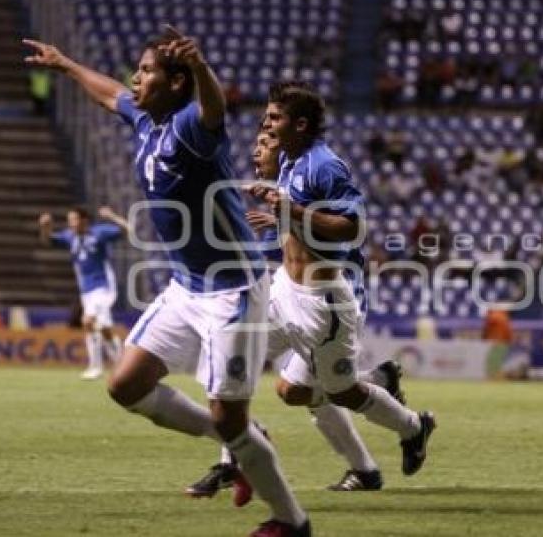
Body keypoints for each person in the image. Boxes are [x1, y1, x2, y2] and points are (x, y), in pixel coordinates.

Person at [24, 27, 310, 537]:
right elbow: (110, 93)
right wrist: (65, 64)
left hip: (233, 288)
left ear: (176, 82)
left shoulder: (190, 127)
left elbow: (213, 109)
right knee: (126, 384)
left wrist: (201, 68)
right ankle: (246, 438)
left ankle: (291, 520)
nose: (136, 77)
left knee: (229, 416)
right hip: (186, 285)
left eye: (148, 70)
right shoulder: (146, 121)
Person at [187, 123, 409, 501]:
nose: (256, 151)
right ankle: (370, 428)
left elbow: (342, 233)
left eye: (264, 142)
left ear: (284, 145)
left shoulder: (310, 176)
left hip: (328, 299)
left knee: (305, 388)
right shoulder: (286, 188)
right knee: (274, 379)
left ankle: (389, 435)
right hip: (292, 293)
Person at [246, 80, 436, 479]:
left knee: (339, 391)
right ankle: (235, 456)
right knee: (246, 358)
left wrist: (292, 211)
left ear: (299, 125)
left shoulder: (324, 165)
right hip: (285, 287)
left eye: (275, 118)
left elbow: (352, 228)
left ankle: (412, 427)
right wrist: (279, 215)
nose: (266, 124)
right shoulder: (288, 161)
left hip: (325, 297)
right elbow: (294, 221)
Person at [38, 205, 128, 379]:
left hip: (103, 286)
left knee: (87, 321)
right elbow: (47, 240)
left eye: (74, 219)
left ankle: (96, 367)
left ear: (84, 220)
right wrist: (45, 227)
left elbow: (127, 230)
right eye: (69, 220)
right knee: (103, 328)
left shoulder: (99, 233)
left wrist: (112, 216)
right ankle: (119, 363)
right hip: (86, 291)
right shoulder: (69, 237)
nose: (71, 224)